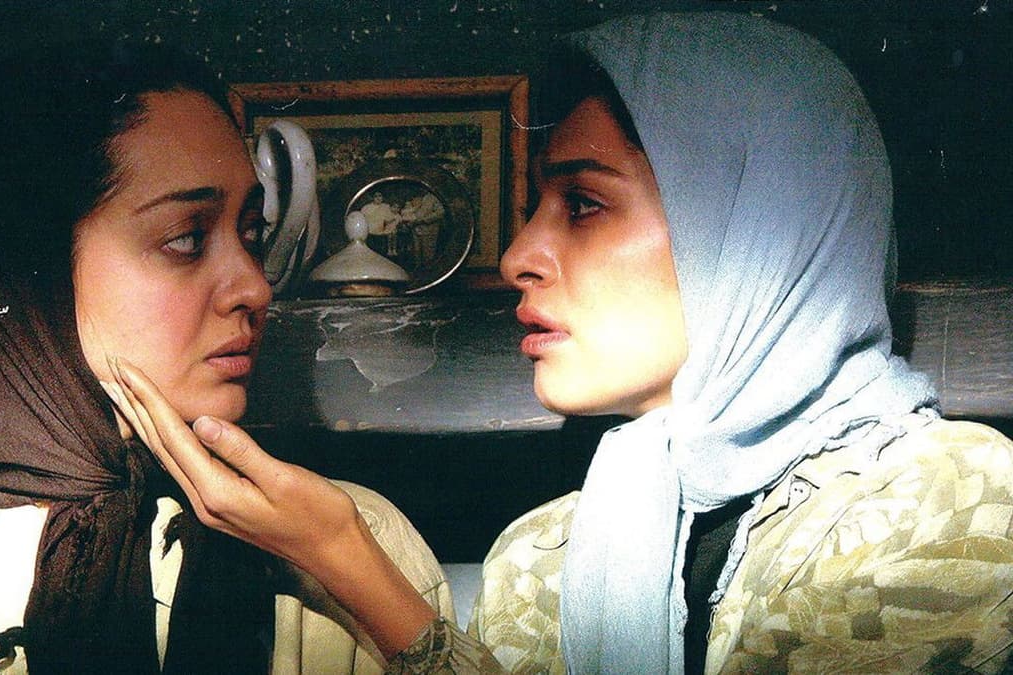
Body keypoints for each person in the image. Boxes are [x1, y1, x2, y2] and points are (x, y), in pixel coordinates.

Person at [101, 11, 1013, 674]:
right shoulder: (543, 559)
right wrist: (341, 549)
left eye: (582, 204)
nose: (518, 256)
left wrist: (351, 556)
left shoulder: (958, 505)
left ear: (751, 226)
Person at [0, 41, 449, 673]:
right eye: (187, 239)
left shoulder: (353, 540)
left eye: (250, 233)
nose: (255, 288)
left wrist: (348, 562)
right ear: (31, 272)